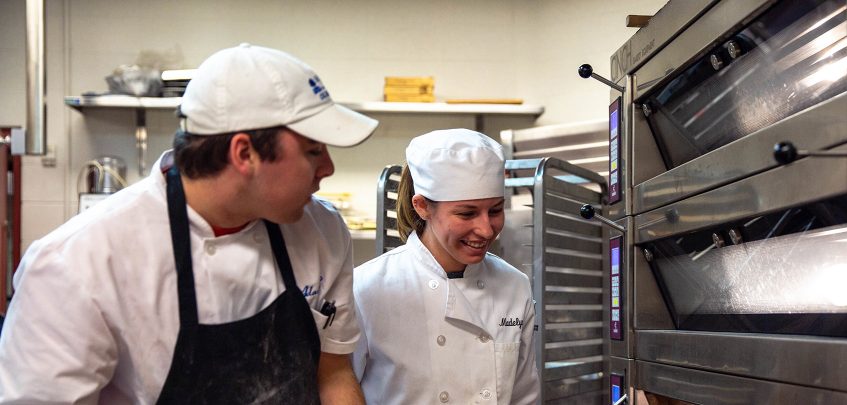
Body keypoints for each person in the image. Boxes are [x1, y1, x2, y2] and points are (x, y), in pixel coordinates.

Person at [0, 44, 377, 404]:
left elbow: (333, 373)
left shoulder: (321, 231)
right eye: (313, 151)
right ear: (244, 153)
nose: (327, 168)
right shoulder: (76, 266)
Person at [353, 129, 540, 404]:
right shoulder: (366, 287)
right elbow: (339, 387)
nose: (486, 229)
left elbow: (524, 396)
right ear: (422, 207)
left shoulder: (514, 285)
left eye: (496, 210)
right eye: (467, 213)